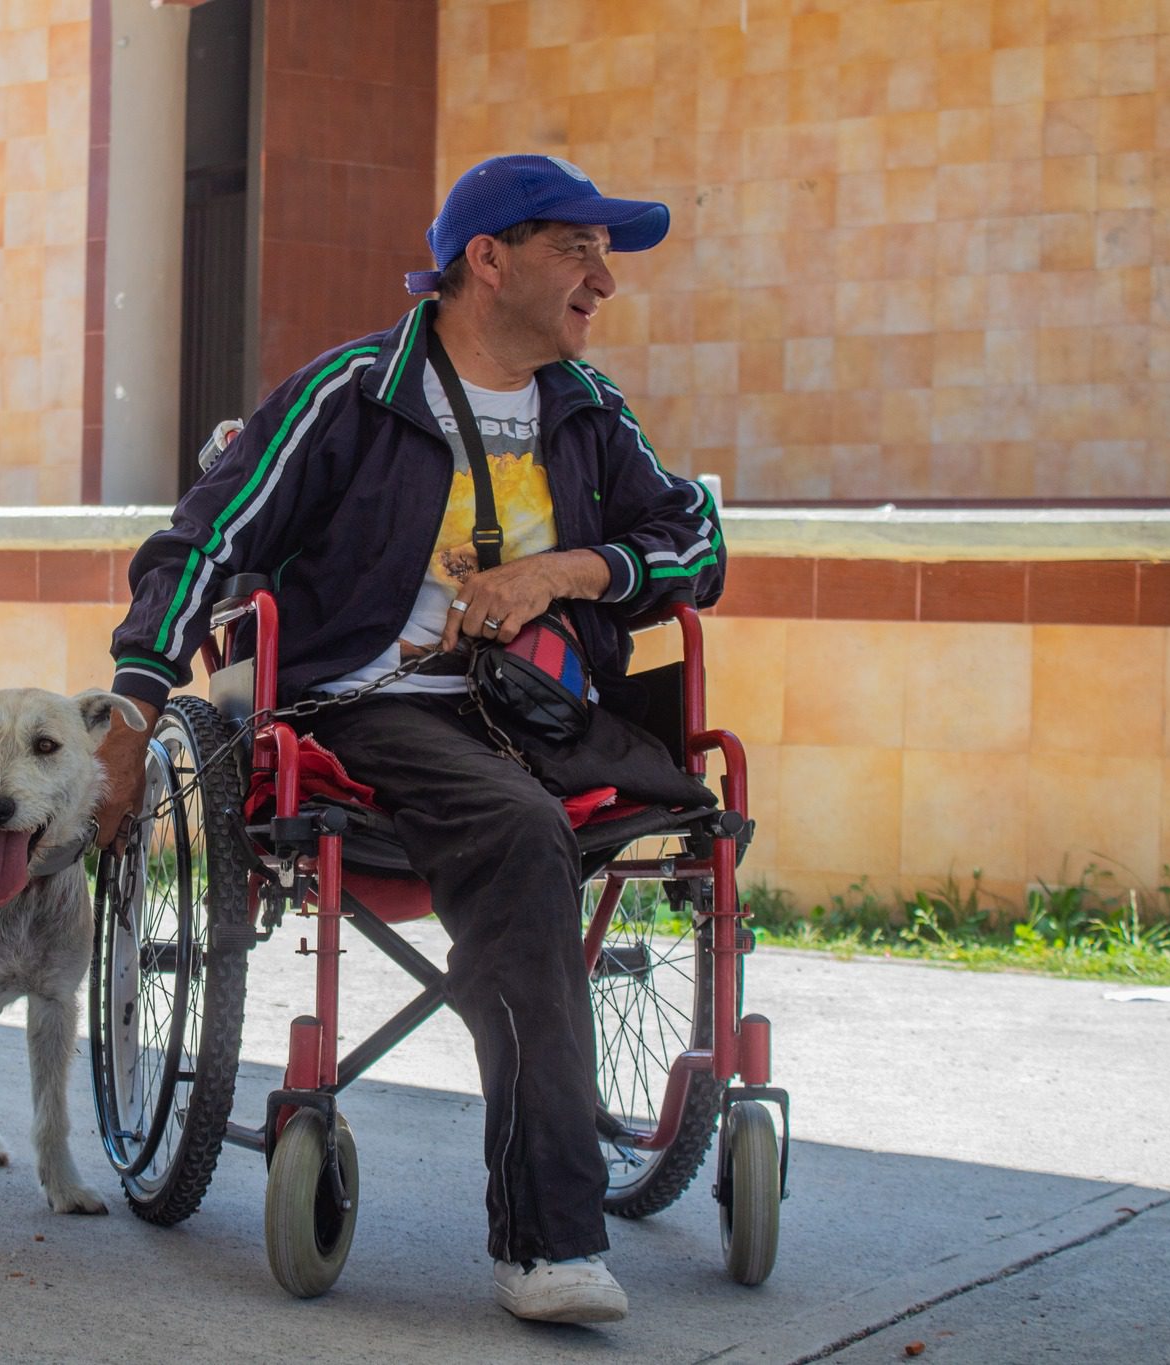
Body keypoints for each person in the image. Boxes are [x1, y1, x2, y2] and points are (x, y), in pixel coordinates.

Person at [94, 154, 725, 1325]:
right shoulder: (351, 395)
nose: (604, 282)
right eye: (578, 251)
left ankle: (572, 1170)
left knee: (665, 808)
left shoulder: (587, 411)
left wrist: (564, 572)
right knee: (517, 831)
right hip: (372, 708)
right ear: (488, 259)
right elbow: (204, 539)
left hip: (543, 711)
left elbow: (697, 545)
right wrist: (134, 702)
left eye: (606, 256)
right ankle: (547, 1241)